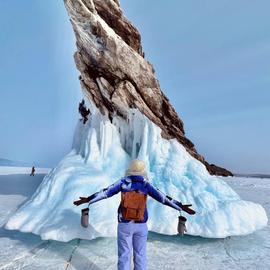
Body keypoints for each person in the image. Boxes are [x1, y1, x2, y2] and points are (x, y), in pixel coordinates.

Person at [73, 159, 195, 270]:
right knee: (140, 255)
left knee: (124, 255)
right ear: (142, 171)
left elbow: (106, 192)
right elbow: (163, 198)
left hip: (124, 224)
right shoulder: (146, 185)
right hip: (141, 225)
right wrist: (180, 206)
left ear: (130, 170)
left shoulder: (123, 182)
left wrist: (89, 199)